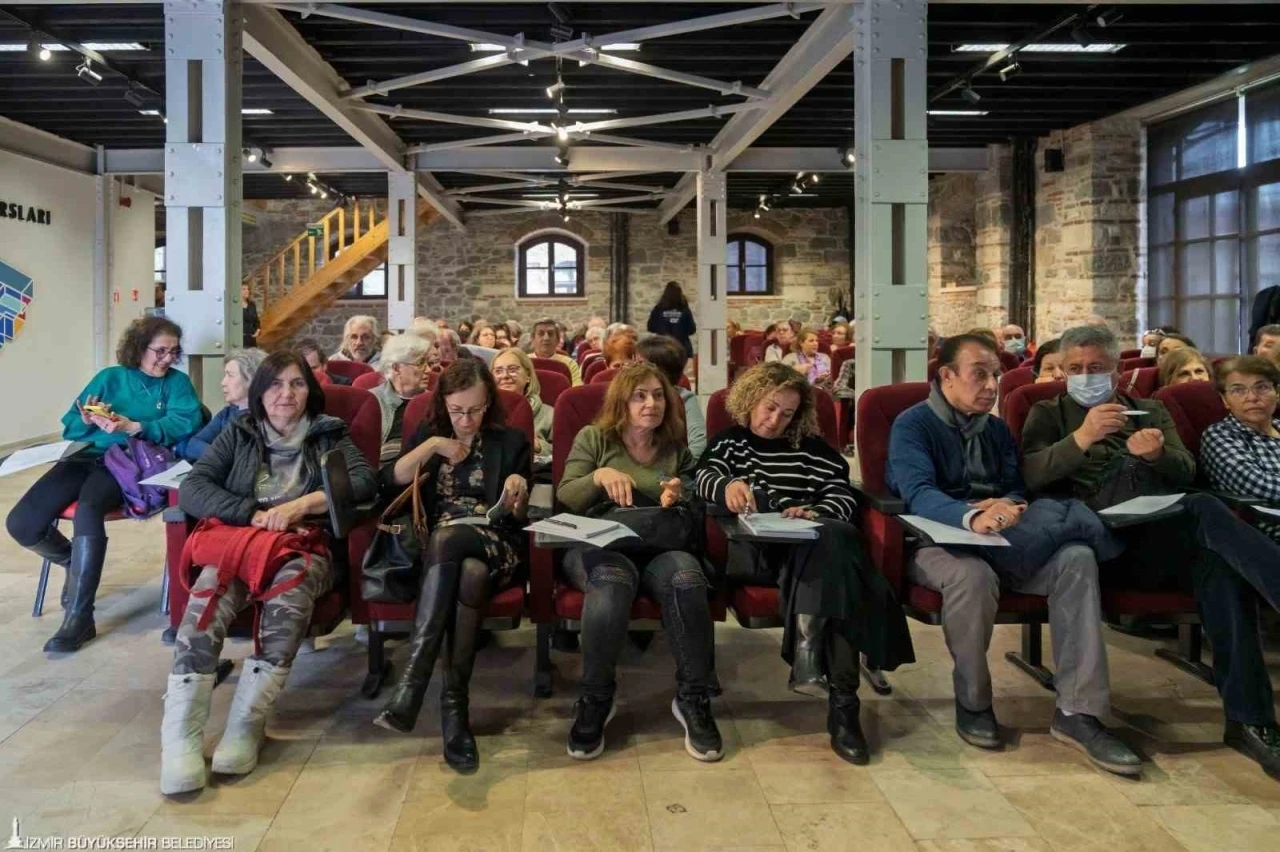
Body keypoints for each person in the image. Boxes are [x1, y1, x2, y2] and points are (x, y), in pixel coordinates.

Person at [1021, 325, 1280, 781]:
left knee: (1219, 563)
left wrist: (1157, 456)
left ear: (1117, 372)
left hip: (1154, 536)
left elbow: (1186, 469)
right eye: (1075, 368)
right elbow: (1030, 476)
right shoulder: (1047, 412)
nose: (1085, 376)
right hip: (1094, 543)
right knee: (1205, 510)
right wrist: (1081, 438)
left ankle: (1249, 722)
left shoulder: (1150, 410)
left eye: (1096, 367)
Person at [886, 333, 1140, 774]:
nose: (991, 386)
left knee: (1077, 556)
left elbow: (1017, 487)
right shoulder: (913, 425)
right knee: (973, 576)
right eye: (979, 374)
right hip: (939, 541)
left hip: (1004, 537)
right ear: (946, 376)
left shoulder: (997, 429)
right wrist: (971, 516)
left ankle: (1079, 711)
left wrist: (1009, 505)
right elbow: (918, 493)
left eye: (996, 375)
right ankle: (973, 700)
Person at [160, 350, 376, 794]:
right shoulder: (239, 432)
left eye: (297, 384)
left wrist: (305, 503)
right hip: (241, 541)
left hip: (304, 545)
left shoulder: (328, 433)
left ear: (309, 391)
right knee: (206, 603)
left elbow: (363, 481)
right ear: (259, 392)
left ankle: (246, 725)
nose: (286, 394)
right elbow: (194, 487)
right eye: (275, 384)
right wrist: (250, 513)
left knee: (288, 601)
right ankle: (180, 738)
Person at [696, 362, 914, 765]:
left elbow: (841, 493)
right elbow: (703, 477)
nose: (775, 420)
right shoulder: (731, 443)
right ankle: (842, 706)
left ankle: (821, 673)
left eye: (787, 413)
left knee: (830, 547)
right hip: (763, 552)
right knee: (839, 562)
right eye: (769, 407)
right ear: (750, 400)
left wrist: (816, 512)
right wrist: (728, 485)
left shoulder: (811, 448)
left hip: (815, 543)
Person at [6, 316, 203, 653]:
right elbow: (71, 424)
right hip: (85, 456)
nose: (167, 359)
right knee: (21, 523)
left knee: (88, 509)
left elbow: (187, 422)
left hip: (128, 462)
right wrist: (86, 419)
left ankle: (80, 617)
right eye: (160, 351)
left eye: (173, 351)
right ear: (139, 348)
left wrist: (134, 426)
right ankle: (74, 563)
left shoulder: (177, 383)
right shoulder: (110, 377)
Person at [372, 360, 531, 774]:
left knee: (451, 541)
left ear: (488, 402)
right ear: (443, 404)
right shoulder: (431, 434)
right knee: (469, 573)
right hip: (442, 553)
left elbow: (519, 517)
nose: (466, 420)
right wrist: (432, 447)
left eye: (475, 410)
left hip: (496, 541)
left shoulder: (510, 440)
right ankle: (454, 711)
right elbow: (389, 480)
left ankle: (413, 684)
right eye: (457, 410)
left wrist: (518, 492)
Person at [557, 363, 719, 761]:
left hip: (660, 544)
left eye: (659, 395)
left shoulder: (674, 446)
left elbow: (694, 491)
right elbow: (566, 496)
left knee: (687, 579)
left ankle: (693, 698)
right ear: (621, 402)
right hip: (603, 543)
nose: (652, 404)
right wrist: (599, 476)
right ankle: (596, 698)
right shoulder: (594, 438)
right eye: (640, 396)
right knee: (611, 583)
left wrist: (680, 493)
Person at [1201, 356, 1280, 542]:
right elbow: (1257, 485)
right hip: (1267, 530)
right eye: (1238, 390)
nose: (1252, 397)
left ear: (1277, 392)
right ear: (1224, 400)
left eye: (1262, 387)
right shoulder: (1219, 436)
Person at [178, 348, 267, 461]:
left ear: (252, 379)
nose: (223, 382)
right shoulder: (226, 414)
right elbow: (193, 446)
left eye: (230, 375)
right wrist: (222, 457)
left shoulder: (267, 417)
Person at [637, 334, 706, 458]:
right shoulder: (625, 395)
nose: (632, 370)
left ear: (659, 371)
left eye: (639, 364)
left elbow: (698, 447)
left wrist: (679, 467)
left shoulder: (684, 398)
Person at [371, 334, 432, 463]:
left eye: (428, 362)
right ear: (396, 368)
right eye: (421, 363)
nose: (428, 370)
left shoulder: (434, 402)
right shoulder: (372, 401)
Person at [491, 348, 552, 457]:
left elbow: (564, 454)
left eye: (512, 369)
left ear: (528, 376)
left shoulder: (550, 414)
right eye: (498, 371)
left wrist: (539, 447)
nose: (505, 376)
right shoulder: (481, 411)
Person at [647, 281, 697, 363]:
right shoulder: (684, 309)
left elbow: (650, 327)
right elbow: (692, 329)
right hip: (681, 348)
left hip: (662, 348)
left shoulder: (658, 309)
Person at [529, 317, 583, 385]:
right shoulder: (523, 362)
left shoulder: (569, 364)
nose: (546, 338)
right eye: (541, 334)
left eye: (550, 334)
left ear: (558, 340)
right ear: (532, 339)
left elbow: (576, 389)